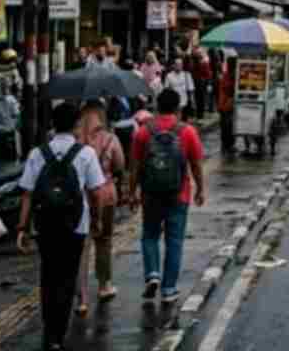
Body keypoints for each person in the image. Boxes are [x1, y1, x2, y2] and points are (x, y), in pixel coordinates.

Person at [15, 101, 109, 351]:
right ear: (77, 125)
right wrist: (97, 220)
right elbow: (96, 192)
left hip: (45, 226)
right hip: (75, 225)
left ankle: (49, 330)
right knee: (68, 279)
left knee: (48, 276)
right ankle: (58, 334)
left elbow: (27, 194)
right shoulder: (86, 154)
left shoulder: (37, 153)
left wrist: (22, 228)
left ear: (53, 126)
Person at [129, 89, 205, 305]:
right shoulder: (187, 132)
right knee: (174, 241)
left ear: (157, 107)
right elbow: (196, 164)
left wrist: (132, 192)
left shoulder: (143, 132)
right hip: (178, 195)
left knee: (150, 236)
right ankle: (169, 288)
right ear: (178, 108)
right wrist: (200, 189)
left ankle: (152, 273)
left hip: (150, 194)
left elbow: (134, 167)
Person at [75, 99, 126, 312]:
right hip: (106, 194)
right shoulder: (110, 139)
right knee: (104, 241)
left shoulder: (75, 141)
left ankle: (82, 299)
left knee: (81, 247)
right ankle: (104, 285)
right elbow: (120, 166)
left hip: (81, 197)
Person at [217, 54, 237, 153]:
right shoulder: (227, 76)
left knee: (227, 125)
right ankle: (227, 145)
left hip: (225, 104)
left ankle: (228, 144)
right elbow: (228, 89)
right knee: (227, 125)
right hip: (225, 104)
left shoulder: (228, 75)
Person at [190, 47, 212, 119]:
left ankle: (200, 115)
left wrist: (208, 82)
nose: (197, 55)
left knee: (200, 100)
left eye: (199, 54)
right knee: (196, 99)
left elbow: (208, 74)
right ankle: (198, 114)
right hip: (195, 82)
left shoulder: (203, 63)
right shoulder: (195, 63)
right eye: (197, 54)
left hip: (200, 83)